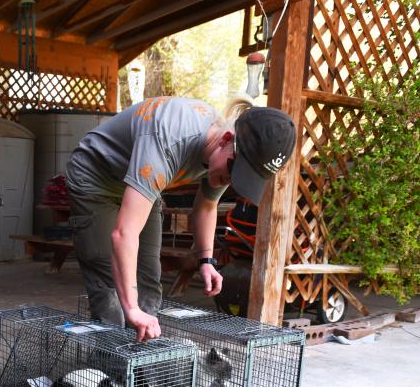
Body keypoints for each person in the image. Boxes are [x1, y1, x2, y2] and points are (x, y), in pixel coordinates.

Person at [66, 96, 296, 342]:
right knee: (110, 283)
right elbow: (124, 234)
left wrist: (206, 261)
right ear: (226, 139)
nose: (231, 180)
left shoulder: (222, 155)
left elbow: (207, 206)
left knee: (148, 278)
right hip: (95, 179)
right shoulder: (169, 138)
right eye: (233, 171)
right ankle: (108, 366)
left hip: (140, 185)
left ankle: (140, 364)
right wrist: (132, 309)